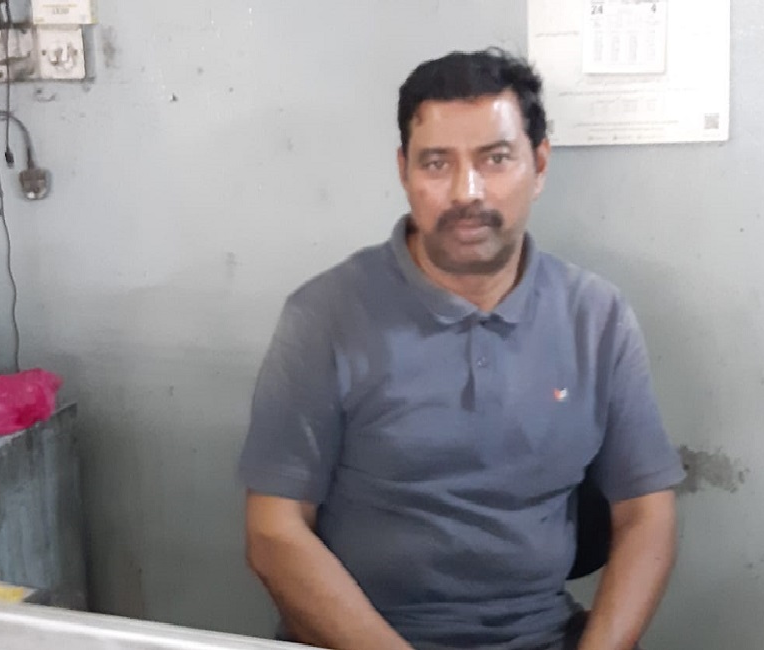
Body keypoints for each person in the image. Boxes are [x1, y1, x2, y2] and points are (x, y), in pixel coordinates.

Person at [239, 48, 685, 650]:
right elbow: (274, 531)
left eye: (495, 159)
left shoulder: (596, 318)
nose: (466, 192)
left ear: (539, 165)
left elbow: (645, 514)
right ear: (404, 171)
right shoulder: (324, 316)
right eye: (436, 163)